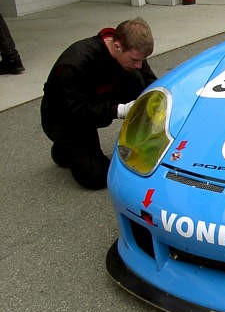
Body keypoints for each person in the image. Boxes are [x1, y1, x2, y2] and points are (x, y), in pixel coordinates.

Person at [41, 17, 157, 189]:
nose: (140, 64)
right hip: (65, 117)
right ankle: (64, 148)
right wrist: (118, 110)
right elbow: (75, 110)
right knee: (96, 177)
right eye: (135, 60)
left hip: (98, 98)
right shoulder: (73, 64)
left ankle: (147, 143)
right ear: (117, 46)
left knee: (143, 87)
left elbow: (151, 83)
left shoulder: (132, 50)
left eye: (142, 60)